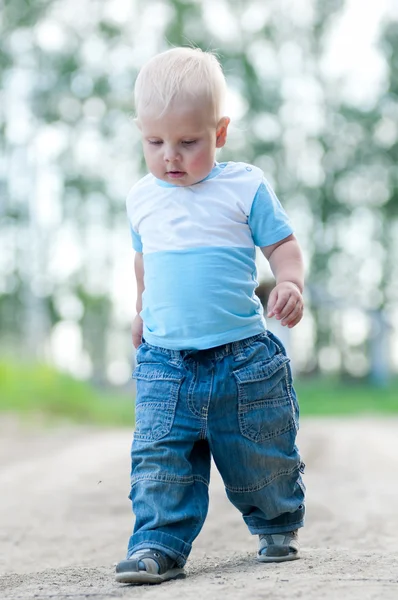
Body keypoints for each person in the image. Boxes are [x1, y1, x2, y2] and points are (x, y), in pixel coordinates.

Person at [116, 46, 305, 585]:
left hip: (241, 357)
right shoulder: (142, 198)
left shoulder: (243, 187)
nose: (170, 156)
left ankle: (276, 521)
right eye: (155, 142)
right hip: (165, 361)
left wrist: (289, 281)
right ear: (141, 133)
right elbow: (144, 260)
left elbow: (283, 245)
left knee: (258, 452)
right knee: (159, 460)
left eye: (188, 142)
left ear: (219, 133)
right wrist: (140, 310)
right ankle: (157, 543)